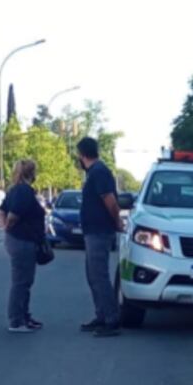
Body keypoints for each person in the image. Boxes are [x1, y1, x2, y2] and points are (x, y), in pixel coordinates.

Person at [77, 136, 123, 337]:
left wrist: (117, 221)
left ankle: (111, 319)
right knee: (92, 276)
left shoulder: (99, 172)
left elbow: (110, 200)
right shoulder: (94, 173)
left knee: (99, 276)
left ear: (82, 154)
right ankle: (101, 315)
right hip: (93, 231)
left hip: (99, 231)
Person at [0, 160, 46, 333]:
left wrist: (5, 226)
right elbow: (12, 214)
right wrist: (9, 225)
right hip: (23, 241)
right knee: (21, 282)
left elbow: (1, 211)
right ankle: (17, 320)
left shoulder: (13, 190)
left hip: (17, 239)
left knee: (25, 281)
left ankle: (24, 316)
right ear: (31, 173)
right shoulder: (24, 191)